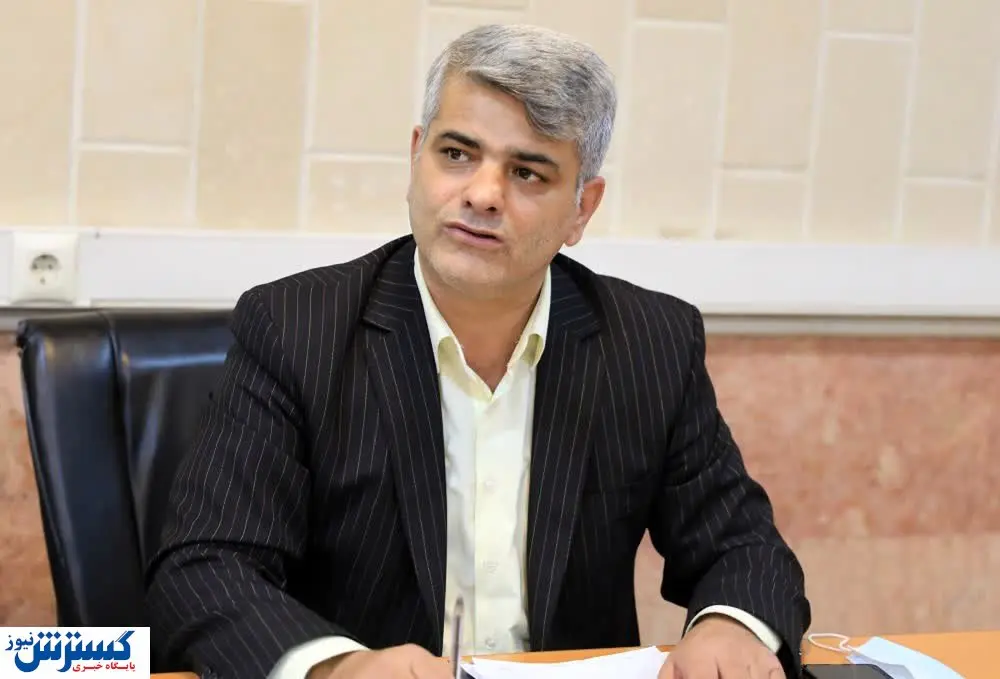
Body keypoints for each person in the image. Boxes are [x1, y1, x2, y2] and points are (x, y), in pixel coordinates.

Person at [145, 23, 810, 679]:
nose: (483, 194)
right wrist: (338, 667)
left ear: (582, 209)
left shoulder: (648, 342)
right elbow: (206, 568)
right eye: (457, 154)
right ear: (416, 157)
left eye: (527, 172)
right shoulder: (296, 329)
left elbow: (744, 546)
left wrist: (731, 626)